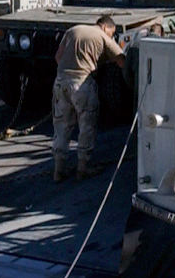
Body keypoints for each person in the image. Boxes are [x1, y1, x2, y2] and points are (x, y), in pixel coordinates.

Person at [53, 14, 125, 181]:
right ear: (107, 27)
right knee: (86, 125)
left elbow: (58, 57)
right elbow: (121, 60)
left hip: (61, 82)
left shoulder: (73, 30)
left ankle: (58, 169)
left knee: (62, 126)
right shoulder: (103, 37)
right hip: (82, 84)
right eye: (111, 33)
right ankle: (83, 167)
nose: (111, 36)